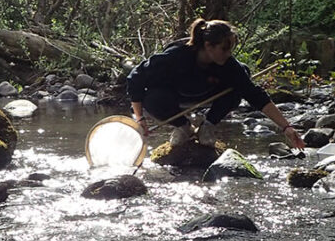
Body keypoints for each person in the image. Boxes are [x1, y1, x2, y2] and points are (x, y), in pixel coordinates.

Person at [127, 19, 303, 159]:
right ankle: (183, 127)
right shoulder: (175, 56)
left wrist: (286, 128)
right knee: (151, 98)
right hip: (174, 95)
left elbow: (256, 95)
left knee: (240, 82)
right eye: (224, 49)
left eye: (230, 49)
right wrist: (140, 117)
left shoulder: (229, 65)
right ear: (208, 45)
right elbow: (135, 77)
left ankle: (208, 126)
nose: (228, 54)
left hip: (208, 94)